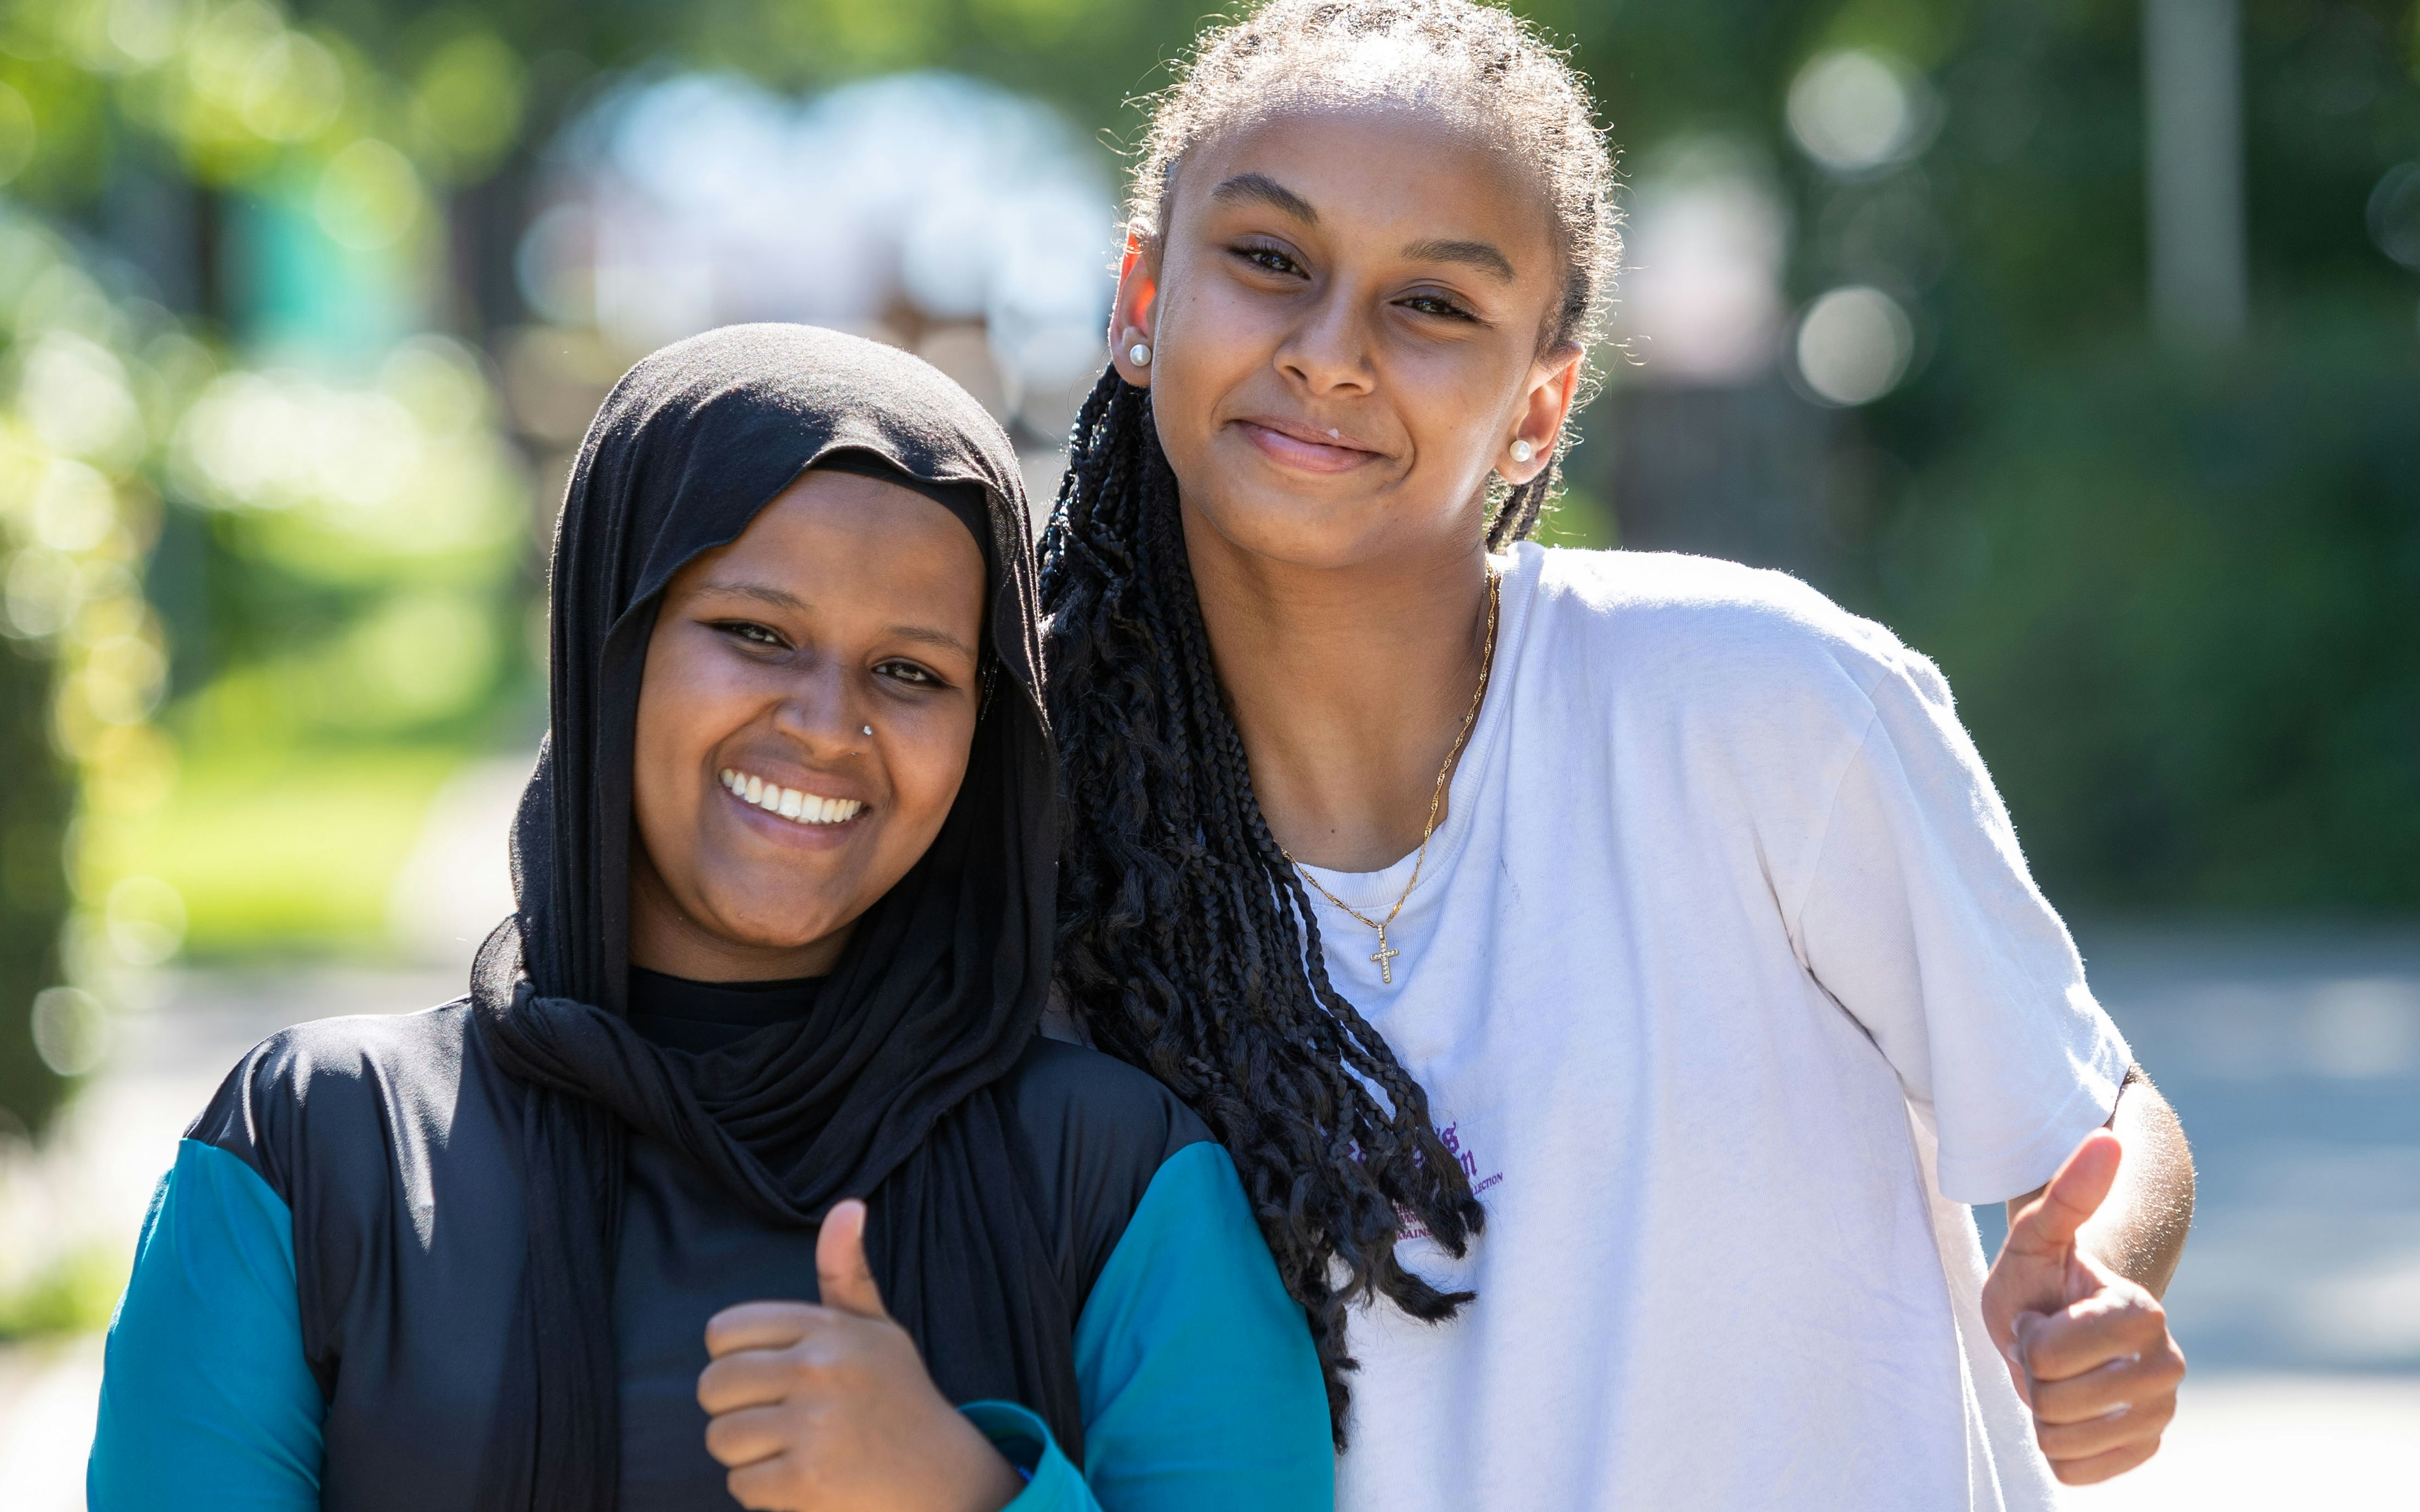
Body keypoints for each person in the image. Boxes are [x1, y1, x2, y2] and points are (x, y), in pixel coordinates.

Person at [1038, 3, 2194, 1508]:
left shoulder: (1757, 700)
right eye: (1268, 261)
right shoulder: (1037, 825)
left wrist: (2094, 1286)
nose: (1329, 353)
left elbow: (2095, 1117)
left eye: (1433, 306)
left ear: (1539, 406)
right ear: (1142, 298)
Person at [88, 324, 1333, 1512]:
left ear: (986, 732)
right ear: (611, 646)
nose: (824, 723)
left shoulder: (1118, 1181)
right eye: (754, 633)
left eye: (910, 672)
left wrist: (959, 1493)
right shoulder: (318, 1150)